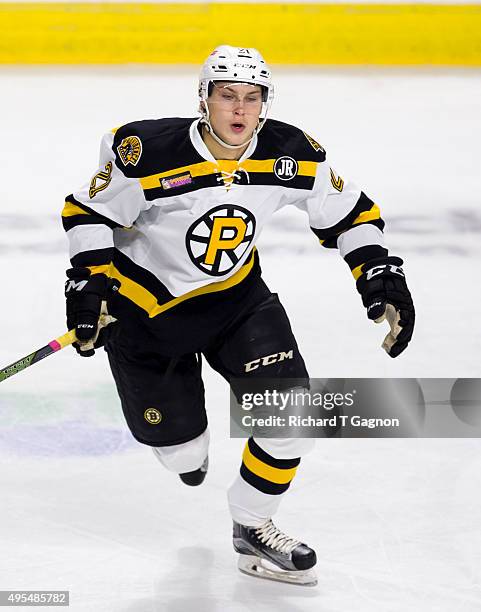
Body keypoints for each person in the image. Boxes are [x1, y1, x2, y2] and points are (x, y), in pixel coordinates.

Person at [62, 45, 415, 586]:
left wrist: (379, 275)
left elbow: (350, 214)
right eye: (227, 95)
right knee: (181, 453)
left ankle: (253, 526)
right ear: (204, 98)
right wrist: (89, 286)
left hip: (237, 305)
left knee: (293, 421)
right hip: (145, 318)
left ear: (264, 104)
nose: (239, 110)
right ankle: (185, 445)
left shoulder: (289, 153)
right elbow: (88, 211)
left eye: (252, 98)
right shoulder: (147, 151)